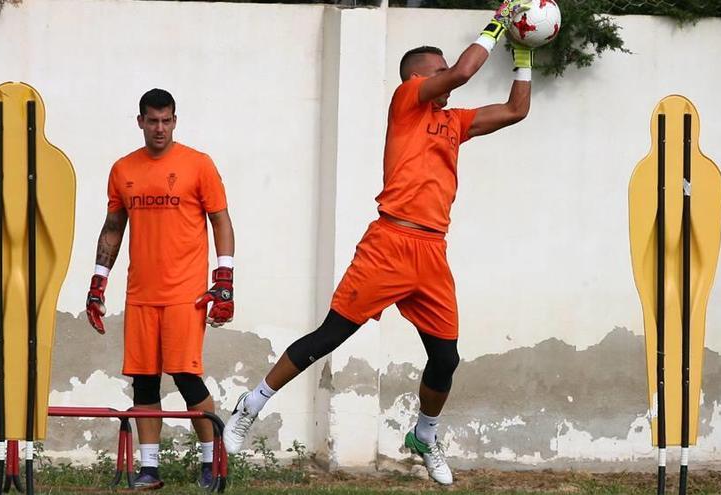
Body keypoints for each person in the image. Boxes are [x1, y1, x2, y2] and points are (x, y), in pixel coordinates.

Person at [223, 0, 532, 485]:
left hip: (432, 251)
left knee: (446, 358)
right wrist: (500, 18)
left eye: (443, 69)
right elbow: (462, 73)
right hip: (389, 243)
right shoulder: (407, 102)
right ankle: (252, 403)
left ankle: (424, 435)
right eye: (437, 70)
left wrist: (524, 52)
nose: (445, 74)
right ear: (415, 78)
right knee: (330, 336)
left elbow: (517, 109)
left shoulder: (455, 123)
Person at [85, 88, 235, 490]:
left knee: (186, 376)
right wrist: (98, 281)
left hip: (186, 292)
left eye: (167, 120)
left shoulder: (198, 164)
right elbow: (113, 227)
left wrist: (225, 279)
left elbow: (221, 221)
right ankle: (149, 469)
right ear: (140, 122)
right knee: (144, 381)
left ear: (175, 121)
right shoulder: (122, 169)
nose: (159, 129)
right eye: (152, 121)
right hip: (141, 293)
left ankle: (211, 462)